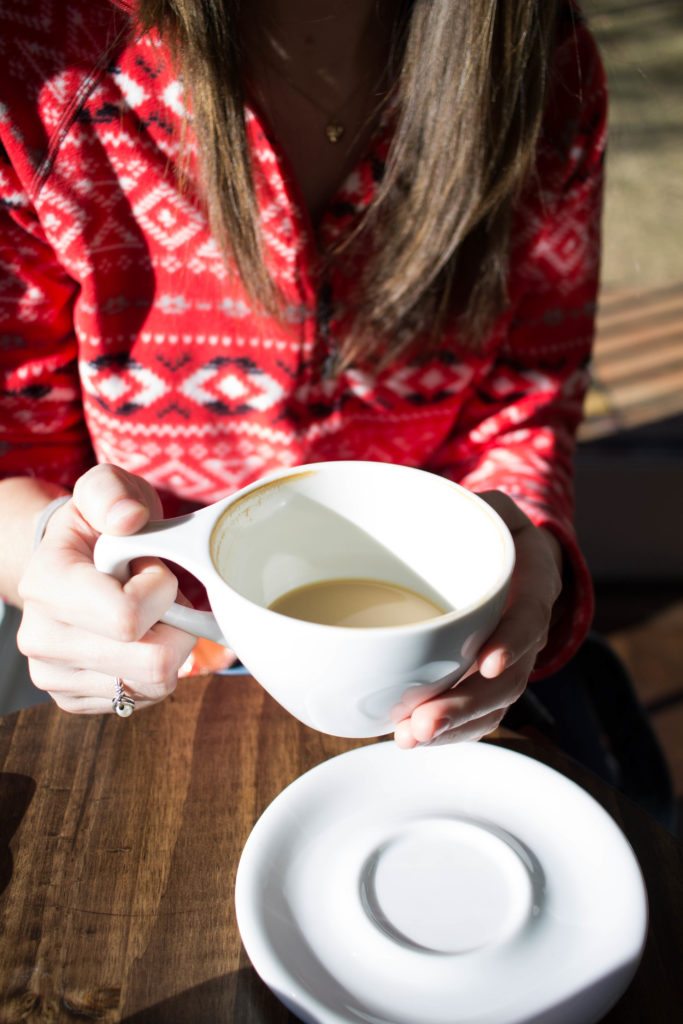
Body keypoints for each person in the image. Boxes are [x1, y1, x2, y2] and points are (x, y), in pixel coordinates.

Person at [0, 0, 605, 748]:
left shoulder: (539, 61)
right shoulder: (34, 60)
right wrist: (59, 562)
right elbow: (14, 459)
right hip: (156, 665)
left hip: (436, 666)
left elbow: (526, 397)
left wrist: (528, 552)